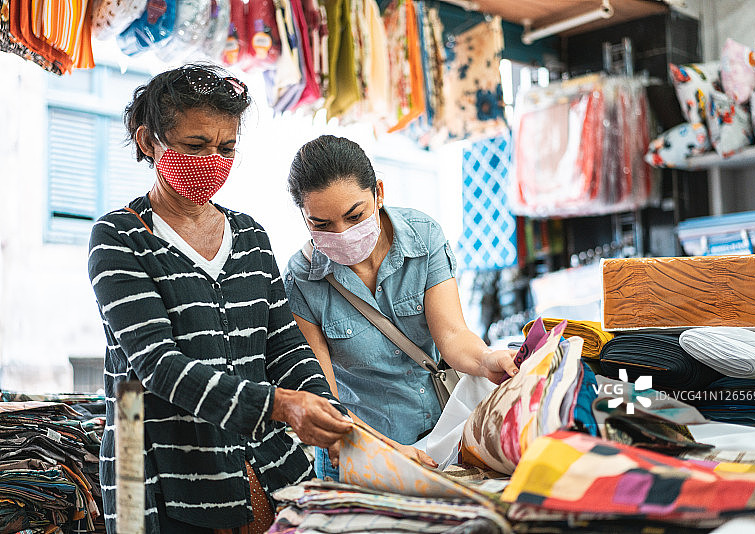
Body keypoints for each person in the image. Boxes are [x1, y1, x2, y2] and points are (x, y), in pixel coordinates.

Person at [87, 65, 351, 534]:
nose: (212, 160)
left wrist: (328, 411)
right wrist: (280, 405)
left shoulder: (250, 237)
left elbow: (284, 347)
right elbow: (158, 366)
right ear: (149, 142)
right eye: (195, 145)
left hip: (262, 469)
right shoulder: (119, 237)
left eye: (226, 148)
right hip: (155, 479)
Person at [283, 135, 519, 480]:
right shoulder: (301, 280)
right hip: (360, 452)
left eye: (355, 216)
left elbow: (452, 335)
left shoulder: (422, 236)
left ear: (378, 192)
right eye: (321, 225)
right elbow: (323, 399)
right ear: (304, 218)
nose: (342, 233)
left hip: (444, 437)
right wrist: (384, 450)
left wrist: (486, 360)